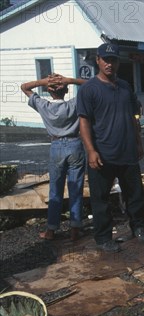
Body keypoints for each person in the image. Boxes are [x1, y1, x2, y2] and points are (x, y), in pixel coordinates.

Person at [77, 43, 144, 253]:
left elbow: (134, 117)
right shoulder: (89, 89)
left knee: (135, 196)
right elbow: (84, 122)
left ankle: (138, 227)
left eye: (114, 60)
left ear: (118, 62)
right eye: (106, 59)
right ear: (98, 60)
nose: (110, 64)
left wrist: (138, 142)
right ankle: (103, 238)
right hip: (103, 155)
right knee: (101, 200)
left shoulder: (126, 87)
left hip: (128, 152)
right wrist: (91, 150)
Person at [21, 74, 87, 241]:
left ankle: (51, 230)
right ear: (66, 90)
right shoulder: (74, 104)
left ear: (49, 92)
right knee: (76, 189)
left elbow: (25, 87)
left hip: (56, 146)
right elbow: (91, 85)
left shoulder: (44, 105)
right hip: (75, 144)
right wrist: (69, 80)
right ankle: (75, 230)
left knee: (55, 190)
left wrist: (46, 82)